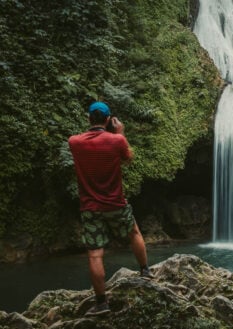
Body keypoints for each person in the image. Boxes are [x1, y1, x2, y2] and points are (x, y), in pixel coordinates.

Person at [69, 101, 154, 316]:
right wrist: (120, 133)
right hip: (115, 202)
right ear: (108, 120)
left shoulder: (75, 142)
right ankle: (145, 271)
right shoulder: (117, 140)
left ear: (89, 118)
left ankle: (101, 303)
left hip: (90, 207)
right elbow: (128, 159)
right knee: (134, 231)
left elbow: (85, 144)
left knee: (95, 255)